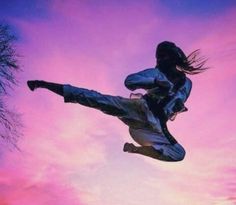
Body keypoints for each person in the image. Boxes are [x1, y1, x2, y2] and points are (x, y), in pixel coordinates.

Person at [27, 41, 207, 162]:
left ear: (174, 57)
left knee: (179, 154)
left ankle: (134, 150)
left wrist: (176, 107)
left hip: (152, 128)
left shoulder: (187, 84)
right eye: (158, 57)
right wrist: (156, 82)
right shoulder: (155, 73)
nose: (159, 60)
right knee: (94, 99)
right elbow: (130, 82)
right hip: (137, 109)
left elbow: (177, 103)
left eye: (163, 56)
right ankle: (43, 84)